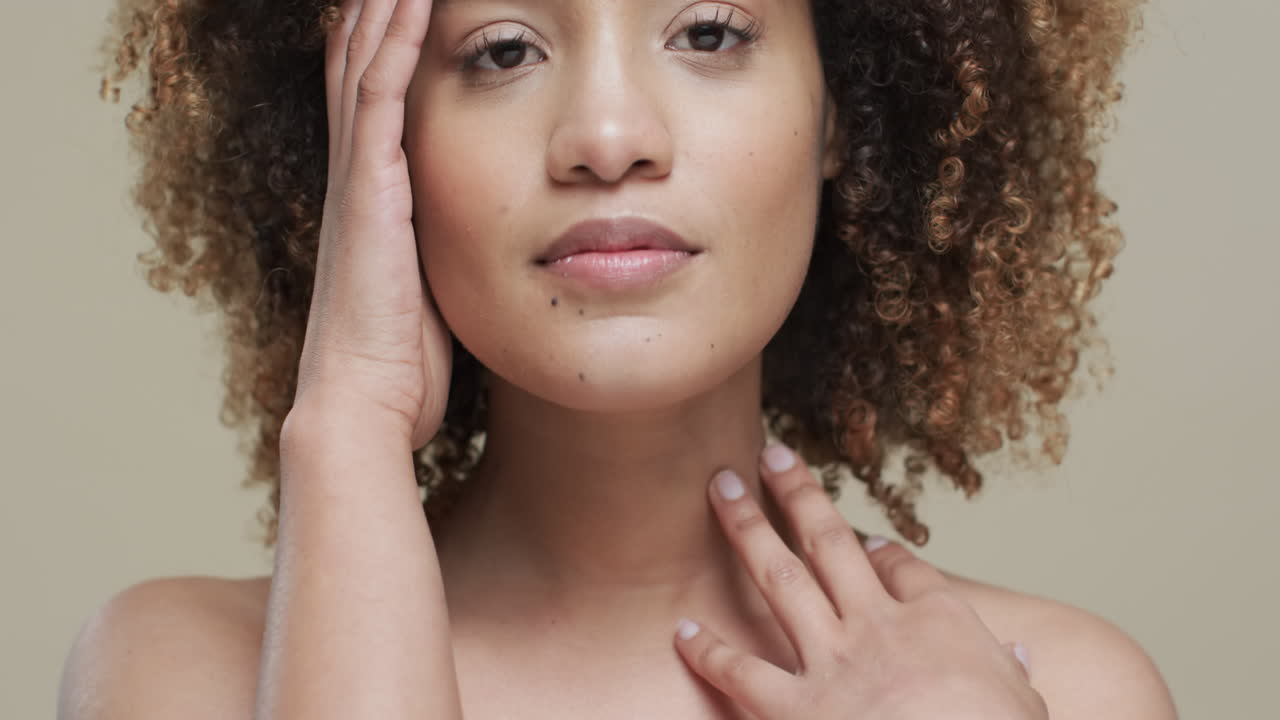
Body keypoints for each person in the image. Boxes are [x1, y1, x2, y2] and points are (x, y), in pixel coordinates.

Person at [60, 0, 1177, 717]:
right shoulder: (186, 677)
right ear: (377, 137)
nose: (605, 138)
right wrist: (348, 416)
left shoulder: (1056, 692)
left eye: (706, 31)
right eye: (503, 50)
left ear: (842, 111)